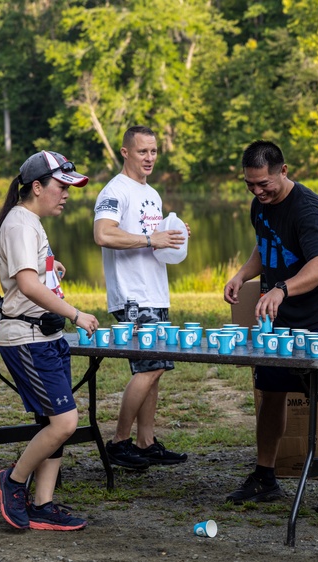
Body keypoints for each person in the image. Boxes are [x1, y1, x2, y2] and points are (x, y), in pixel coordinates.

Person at [223, 140, 318, 513]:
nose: (257, 191)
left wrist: (281, 289)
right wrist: (242, 274)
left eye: (264, 183)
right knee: (272, 390)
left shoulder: (308, 208)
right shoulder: (260, 204)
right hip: (281, 315)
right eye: (250, 185)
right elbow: (265, 245)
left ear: (284, 171)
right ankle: (265, 477)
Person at [0, 150, 99, 531]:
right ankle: (13, 481)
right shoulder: (20, 224)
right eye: (61, 186)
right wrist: (76, 313)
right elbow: (27, 284)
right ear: (37, 187)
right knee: (66, 422)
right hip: (28, 337)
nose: (67, 193)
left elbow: (36, 273)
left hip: (46, 335)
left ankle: (43, 504)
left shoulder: (31, 221)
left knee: (52, 420)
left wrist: (53, 267)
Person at [93, 125, 188, 469]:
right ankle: (119, 443)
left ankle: (146, 443)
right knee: (148, 367)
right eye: (142, 151)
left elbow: (150, 233)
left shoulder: (150, 192)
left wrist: (169, 230)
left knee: (157, 367)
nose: (149, 158)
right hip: (132, 295)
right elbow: (103, 234)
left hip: (155, 291)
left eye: (153, 151)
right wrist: (151, 240)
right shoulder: (115, 191)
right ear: (125, 152)